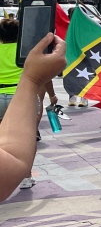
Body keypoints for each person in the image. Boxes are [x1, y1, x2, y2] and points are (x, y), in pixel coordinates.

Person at [0, 33, 66, 199]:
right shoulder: (30, 52)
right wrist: (33, 80)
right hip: (21, 96)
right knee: (28, 138)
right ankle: (26, 177)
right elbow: (14, 158)